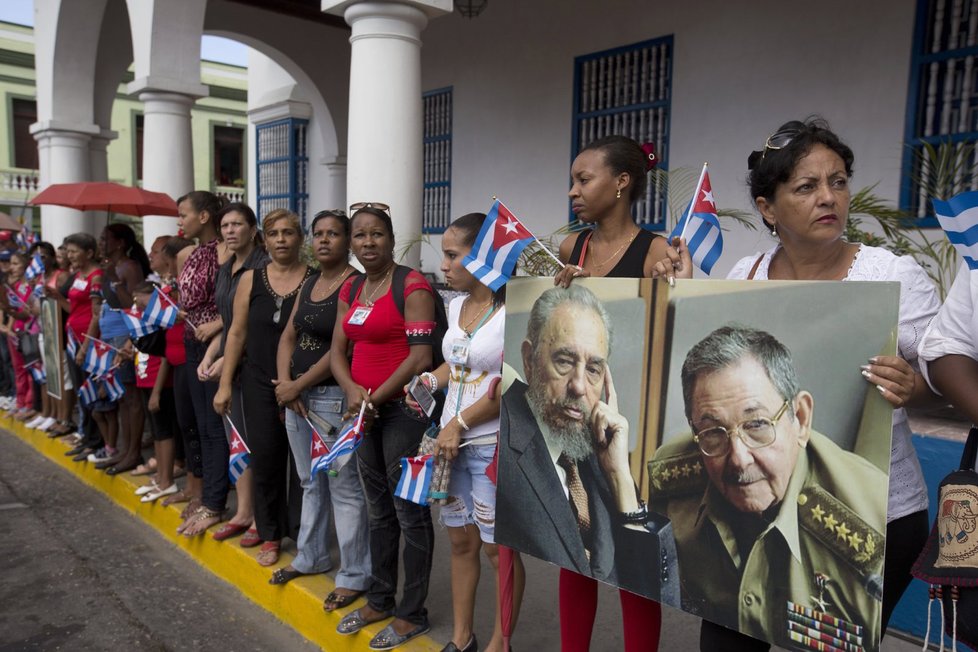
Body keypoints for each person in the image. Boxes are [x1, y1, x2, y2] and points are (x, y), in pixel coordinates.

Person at [684, 117, 941, 650]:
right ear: (768, 207)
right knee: (728, 638)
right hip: (754, 512)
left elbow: (948, 376)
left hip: (871, 519)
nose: (829, 197)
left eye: (838, 181)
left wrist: (917, 387)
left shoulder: (890, 275)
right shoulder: (745, 275)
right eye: (806, 186)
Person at [650, 326, 889, 649]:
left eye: (757, 425)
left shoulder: (868, 524)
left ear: (801, 419)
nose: (738, 459)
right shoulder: (671, 476)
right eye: (713, 432)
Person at [552, 134, 677, 652]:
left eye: (585, 180)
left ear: (622, 182)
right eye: (573, 181)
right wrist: (556, 295)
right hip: (573, 421)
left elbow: (666, 328)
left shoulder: (656, 252)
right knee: (576, 552)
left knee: (634, 560)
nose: (574, 193)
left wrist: (677, 286)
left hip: (631, 424)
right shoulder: (569, 248)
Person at [409, 212, 524, 652]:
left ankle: (501, 641)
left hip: (490, 447)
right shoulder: (456, 306)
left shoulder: (514, 309)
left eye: (453, 256)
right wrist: (427, 384)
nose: (444, 265)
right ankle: (462, 638)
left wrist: (457, 424)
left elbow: (507, 383)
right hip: (449, 444)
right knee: (459, 542)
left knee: (499, 552)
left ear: (482, 258)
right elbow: (456, 364)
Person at [498, 284, 654, 600]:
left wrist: (620, 476)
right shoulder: (502, 444)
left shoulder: (595, 447)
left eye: (593, 369)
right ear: (529, 360)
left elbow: (649, 588)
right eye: (565, 362)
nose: (580, 386)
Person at [331, 203, 436, 650]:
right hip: (363, 411)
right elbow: (338, 350)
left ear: (391, 240)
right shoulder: (353, 286)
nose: (367, 243)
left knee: (409, 512)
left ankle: (413, 613)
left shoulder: (411, 285)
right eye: (359, 235)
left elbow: (421, 358)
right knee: (378, 508)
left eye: (376, 235)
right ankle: (379, 598)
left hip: (403, 412)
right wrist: (353, 392)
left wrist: (374, 397)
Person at [273, 209, 370, 601]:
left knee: (343, 486)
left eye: (333, 234)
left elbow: (338, 349)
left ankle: (355, 574)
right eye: (319, 234)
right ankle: (310, 555)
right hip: (296, 400)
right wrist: (285, 385)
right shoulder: (311, 282)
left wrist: (295, 385)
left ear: (347, 241)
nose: (324, 240)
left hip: (332, 398)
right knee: (309, 481)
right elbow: (287, 337)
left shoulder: (356, 285)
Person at [214, 208, 313, 563]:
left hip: (303, 382)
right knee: (267, 457)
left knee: (304, 466)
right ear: (265, 239)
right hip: (256, 380)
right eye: (274, 234)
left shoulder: (315, 279)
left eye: (289, 233)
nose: (281, 240)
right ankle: (270, 534)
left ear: (301, 239)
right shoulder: (250, 279)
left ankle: (303, 533)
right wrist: (225, 385)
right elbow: (236, 332)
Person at [203, 202, 268, 543]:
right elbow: (228, 324)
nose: (229, 231)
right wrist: (211, 353)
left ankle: (260, 517)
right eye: (225, 225)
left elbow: (251, 328)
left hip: (253, 364)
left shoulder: (264, 266)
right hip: (229, 360)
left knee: (255, 443)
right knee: (236, 441)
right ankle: (242, 511)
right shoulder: (226, 268)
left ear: (253, 229)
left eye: (237, 224)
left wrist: (226, 361)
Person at [175, 190, 232, 536]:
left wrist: (218, 324)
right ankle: (207, 494)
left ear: (204, 216)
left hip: (218, 343)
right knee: (197, 423)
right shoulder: (188, 254)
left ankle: (215, 500)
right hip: (191, 341)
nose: (179, 221)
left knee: (215, 426)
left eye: (183, 214)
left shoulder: (225, 252)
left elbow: (237, 301)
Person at [94, 223, 150, 475]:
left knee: (132, 398)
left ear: (119, 242)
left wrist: (116, 282)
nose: (101, 242)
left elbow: (135, 305)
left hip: (124, 336)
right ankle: (126, 449)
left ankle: (133, 452)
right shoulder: (110, 268)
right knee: (123, 398)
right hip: (110, 337)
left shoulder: (129, 267)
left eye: (105, 238)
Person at [61, 233, 104, 461]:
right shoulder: (78, 275)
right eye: (68, 251)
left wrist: (85, 347)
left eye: (74, 251)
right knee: (81, 391)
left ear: (89, 253)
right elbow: (73, 307)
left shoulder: (96, 277)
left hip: (86, 342)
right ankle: (86, 436)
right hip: (72, 338)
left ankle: (96, 442)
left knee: (90, 393)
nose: (69, 256)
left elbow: (96, 314)